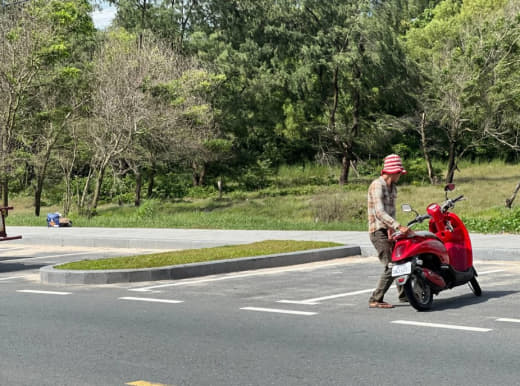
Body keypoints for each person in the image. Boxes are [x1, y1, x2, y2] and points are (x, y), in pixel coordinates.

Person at [367, 154, 410, 309]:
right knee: (391, 265)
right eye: (399, 172)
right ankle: (375, 299)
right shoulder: (377, 185)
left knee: (400, 262)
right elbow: (380, 212)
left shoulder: (393, 187)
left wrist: (393, 230)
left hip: (388, 230)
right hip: (377, 231)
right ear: (392, 171)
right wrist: (398, 226)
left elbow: (391, 212)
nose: (400, 175)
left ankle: (405, 294)